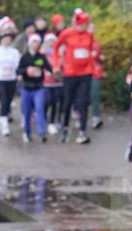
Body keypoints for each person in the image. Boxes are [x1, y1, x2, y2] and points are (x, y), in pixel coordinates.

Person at [54, 8, 96, 144]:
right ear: (76, 23)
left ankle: (83, 131)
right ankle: (65, 128)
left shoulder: (89, 35)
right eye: (83, 24)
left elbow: (89, 50)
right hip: (70, 73)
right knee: (67, 102)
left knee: (83, 102)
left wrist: (91, 63)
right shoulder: (66, 33)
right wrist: (56, 65)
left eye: (86, 24)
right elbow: (56, 48)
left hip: (85, 73)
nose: (84, 26)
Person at [17, 33, 53, 143]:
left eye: (37, 42)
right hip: (26, 88)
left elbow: (49, 68)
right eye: (33, 42)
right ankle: (27, 133)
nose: (35, 44)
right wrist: (27, 71)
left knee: (40, 109)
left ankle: (42, 132)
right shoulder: (24, 57)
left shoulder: (41, 57)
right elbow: (18, 71)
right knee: (27, 112)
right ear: (29, 44)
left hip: (38, 88)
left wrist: (50, 71)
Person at [42, 32, 64, 137]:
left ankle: (52, 122)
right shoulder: (42, 54)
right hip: (45, 83)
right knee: (47, 101)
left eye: (53, 41)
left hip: (57, 82)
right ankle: (43, 117)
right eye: (49, 41)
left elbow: (63, 66)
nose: (51, 43)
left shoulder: (60, 54)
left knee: (55, 102)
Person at [89, 22, 106, 130]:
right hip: (82, 73)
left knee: (95, 95)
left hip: (95, 72)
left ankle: (95, 117)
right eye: (90, 27)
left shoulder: (95, 44)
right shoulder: (80, 42)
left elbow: (96, 58)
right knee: (83, 96)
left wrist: (99, 57)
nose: (91, 30)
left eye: (92, 28)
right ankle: (80, 116)